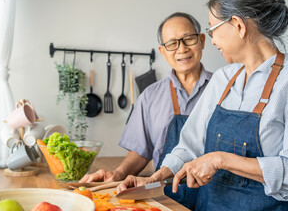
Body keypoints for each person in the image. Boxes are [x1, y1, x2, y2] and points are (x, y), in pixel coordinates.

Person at [117, 0, 288, 211]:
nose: (213, 40)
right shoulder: (223, 79)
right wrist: (155, 178)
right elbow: (189, 145)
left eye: (212, 29)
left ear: (238, 25)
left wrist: (219, 159)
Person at [80, 12, 212, 209]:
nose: (181, 49)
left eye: (189, 39)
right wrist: (117, 174)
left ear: (201, 40)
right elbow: (142, 152)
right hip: (164, 198)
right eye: (172, 43)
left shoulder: (224, 89)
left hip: (213, 198)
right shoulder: (150, 96)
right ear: (162, 50)